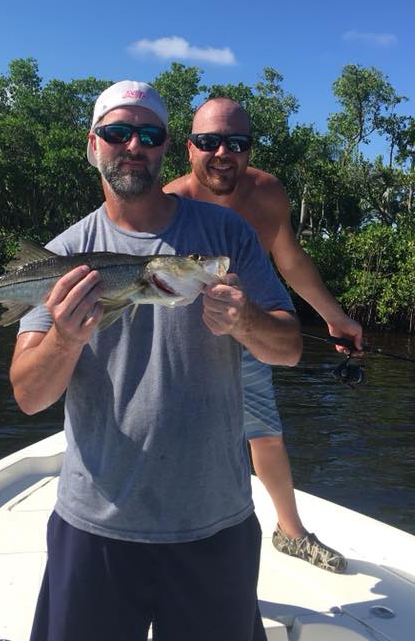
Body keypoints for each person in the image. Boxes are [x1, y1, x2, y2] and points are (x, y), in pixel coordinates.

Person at [10, 80, 302, 641]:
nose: (133, 146)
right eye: (117, 133)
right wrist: (64, 340)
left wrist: (244, 320)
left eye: (148, 135)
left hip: (214, 522)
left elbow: (288, 349)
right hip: (96, 524)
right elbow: (28, 395)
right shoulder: (65, 254)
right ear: (93, 144)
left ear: (167, 146)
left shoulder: (226, 236)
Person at [164, 97, 364, 573]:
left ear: (249, 149)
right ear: (190, 148)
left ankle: (290, 533)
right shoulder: (170, 203)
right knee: (180, 435)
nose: (222, 153)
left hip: (252, 327)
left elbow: (290, 261)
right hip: (189, 340)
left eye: (235, 143)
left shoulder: (268, 193)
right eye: (209, 142)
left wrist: (335, 317)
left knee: (266, 434)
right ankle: (171, 535)